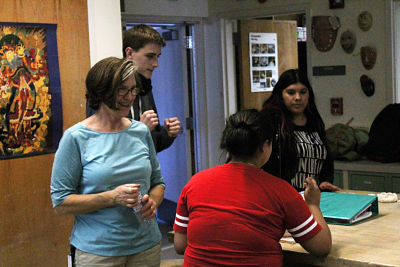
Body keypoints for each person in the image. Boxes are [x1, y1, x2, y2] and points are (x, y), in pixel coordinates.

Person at [173, 109, 332, 266]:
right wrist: (312, 204)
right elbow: (322, 247)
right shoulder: (281, 191)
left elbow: (180, 245)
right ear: (265, 146)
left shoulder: (195, 182)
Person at [51, 57, 165, 267]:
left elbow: (158, 182)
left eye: (133, 90)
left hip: (146, 246)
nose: (130, 97)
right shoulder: (76, 138)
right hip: (98, 252)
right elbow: (61, 203)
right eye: (122, 90)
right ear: (101, 91)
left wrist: (154, 202)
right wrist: (112, 197)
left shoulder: (140, 131)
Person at [261, 69, 341, 192]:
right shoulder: (272, 121)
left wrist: (326, 181)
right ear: (280, 95)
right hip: (284, 197)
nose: (298, 98)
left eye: (303, 92)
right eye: (291, 92)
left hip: (314, 196)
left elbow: (326, 158)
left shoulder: (315, 120)